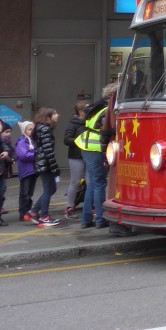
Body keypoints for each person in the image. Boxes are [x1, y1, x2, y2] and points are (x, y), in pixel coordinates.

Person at [76, 82, 116, 230]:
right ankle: (101, 219)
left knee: (93, 183)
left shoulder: (97, 107)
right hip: (96, 147)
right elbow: (107, 131)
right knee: (100, 183)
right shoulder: (107, 110)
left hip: (86, 146)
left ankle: (86, 219)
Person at [30, 107, 62, 227]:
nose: (57, 115)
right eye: (54, 114)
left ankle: (33, 212)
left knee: (51, 189)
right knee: (49, 189)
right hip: (45, 165)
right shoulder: (44, 129)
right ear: (47, 117)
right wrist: (55, 168)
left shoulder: (43, 128)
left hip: (43, 164)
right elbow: (48, 151)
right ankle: (44, 216)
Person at [62, 101, 88, 220]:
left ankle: (90, 206)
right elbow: (67, 139)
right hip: (76, 156)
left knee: (90, 182)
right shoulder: (73, 124)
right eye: (87, 110)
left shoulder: (90, 122)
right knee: (75, 181)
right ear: (81, 112)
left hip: (88, 154)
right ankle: (69, 207)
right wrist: (79, 141)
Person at [15, 121, 37, 222]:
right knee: (25, 193)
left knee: (30, 193)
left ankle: (28, 211)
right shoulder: (21, 142)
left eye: (33, 129)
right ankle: (23, 213)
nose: (32, 131)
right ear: (24, 131)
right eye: (29, 129)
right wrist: (36, 154)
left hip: (33, 171)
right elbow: (24, 155)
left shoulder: (33, 141)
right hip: (26, 171)